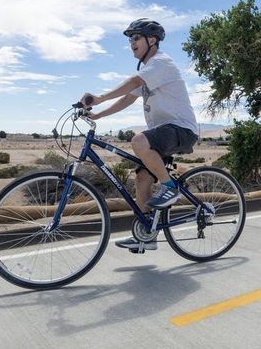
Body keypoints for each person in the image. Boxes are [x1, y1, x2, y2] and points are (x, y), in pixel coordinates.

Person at [81, 18, 199, 251]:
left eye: (136, 38)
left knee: (139, 141)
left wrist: (100, 97)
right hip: (164, 133)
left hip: (182, 130)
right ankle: (146, 235)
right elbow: (128, 97)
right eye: (130, 40)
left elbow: (133, 82)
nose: (132, 43)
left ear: (152, 40)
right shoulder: (148, 70)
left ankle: (170, 188)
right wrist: (99, 115)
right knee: (142, 179)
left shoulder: (161, 63)